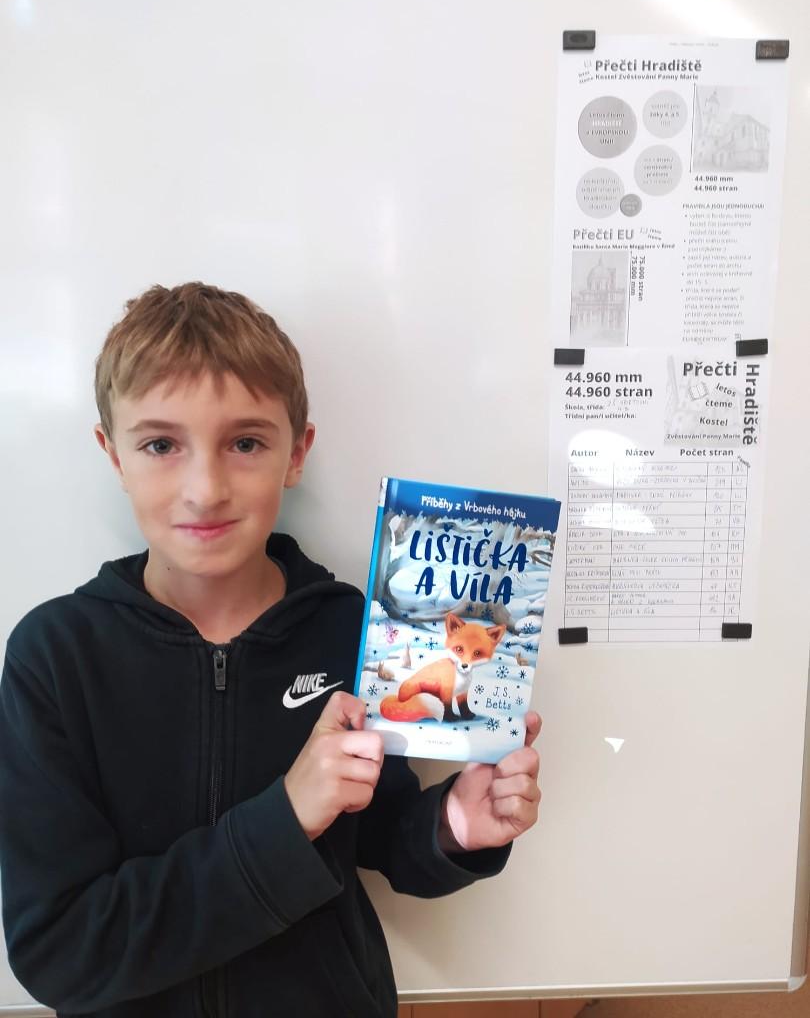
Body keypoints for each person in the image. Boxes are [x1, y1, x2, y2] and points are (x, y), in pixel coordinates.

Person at [0, 282, 542, 1017]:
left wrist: (454, 828)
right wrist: (286, 817)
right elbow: (61, 952)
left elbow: (379, 835)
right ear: (113, 454)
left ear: (297, 452)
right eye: (160, 445)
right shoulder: (56, 655)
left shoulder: (351, 626)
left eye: (246, 443)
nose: (205, 489)